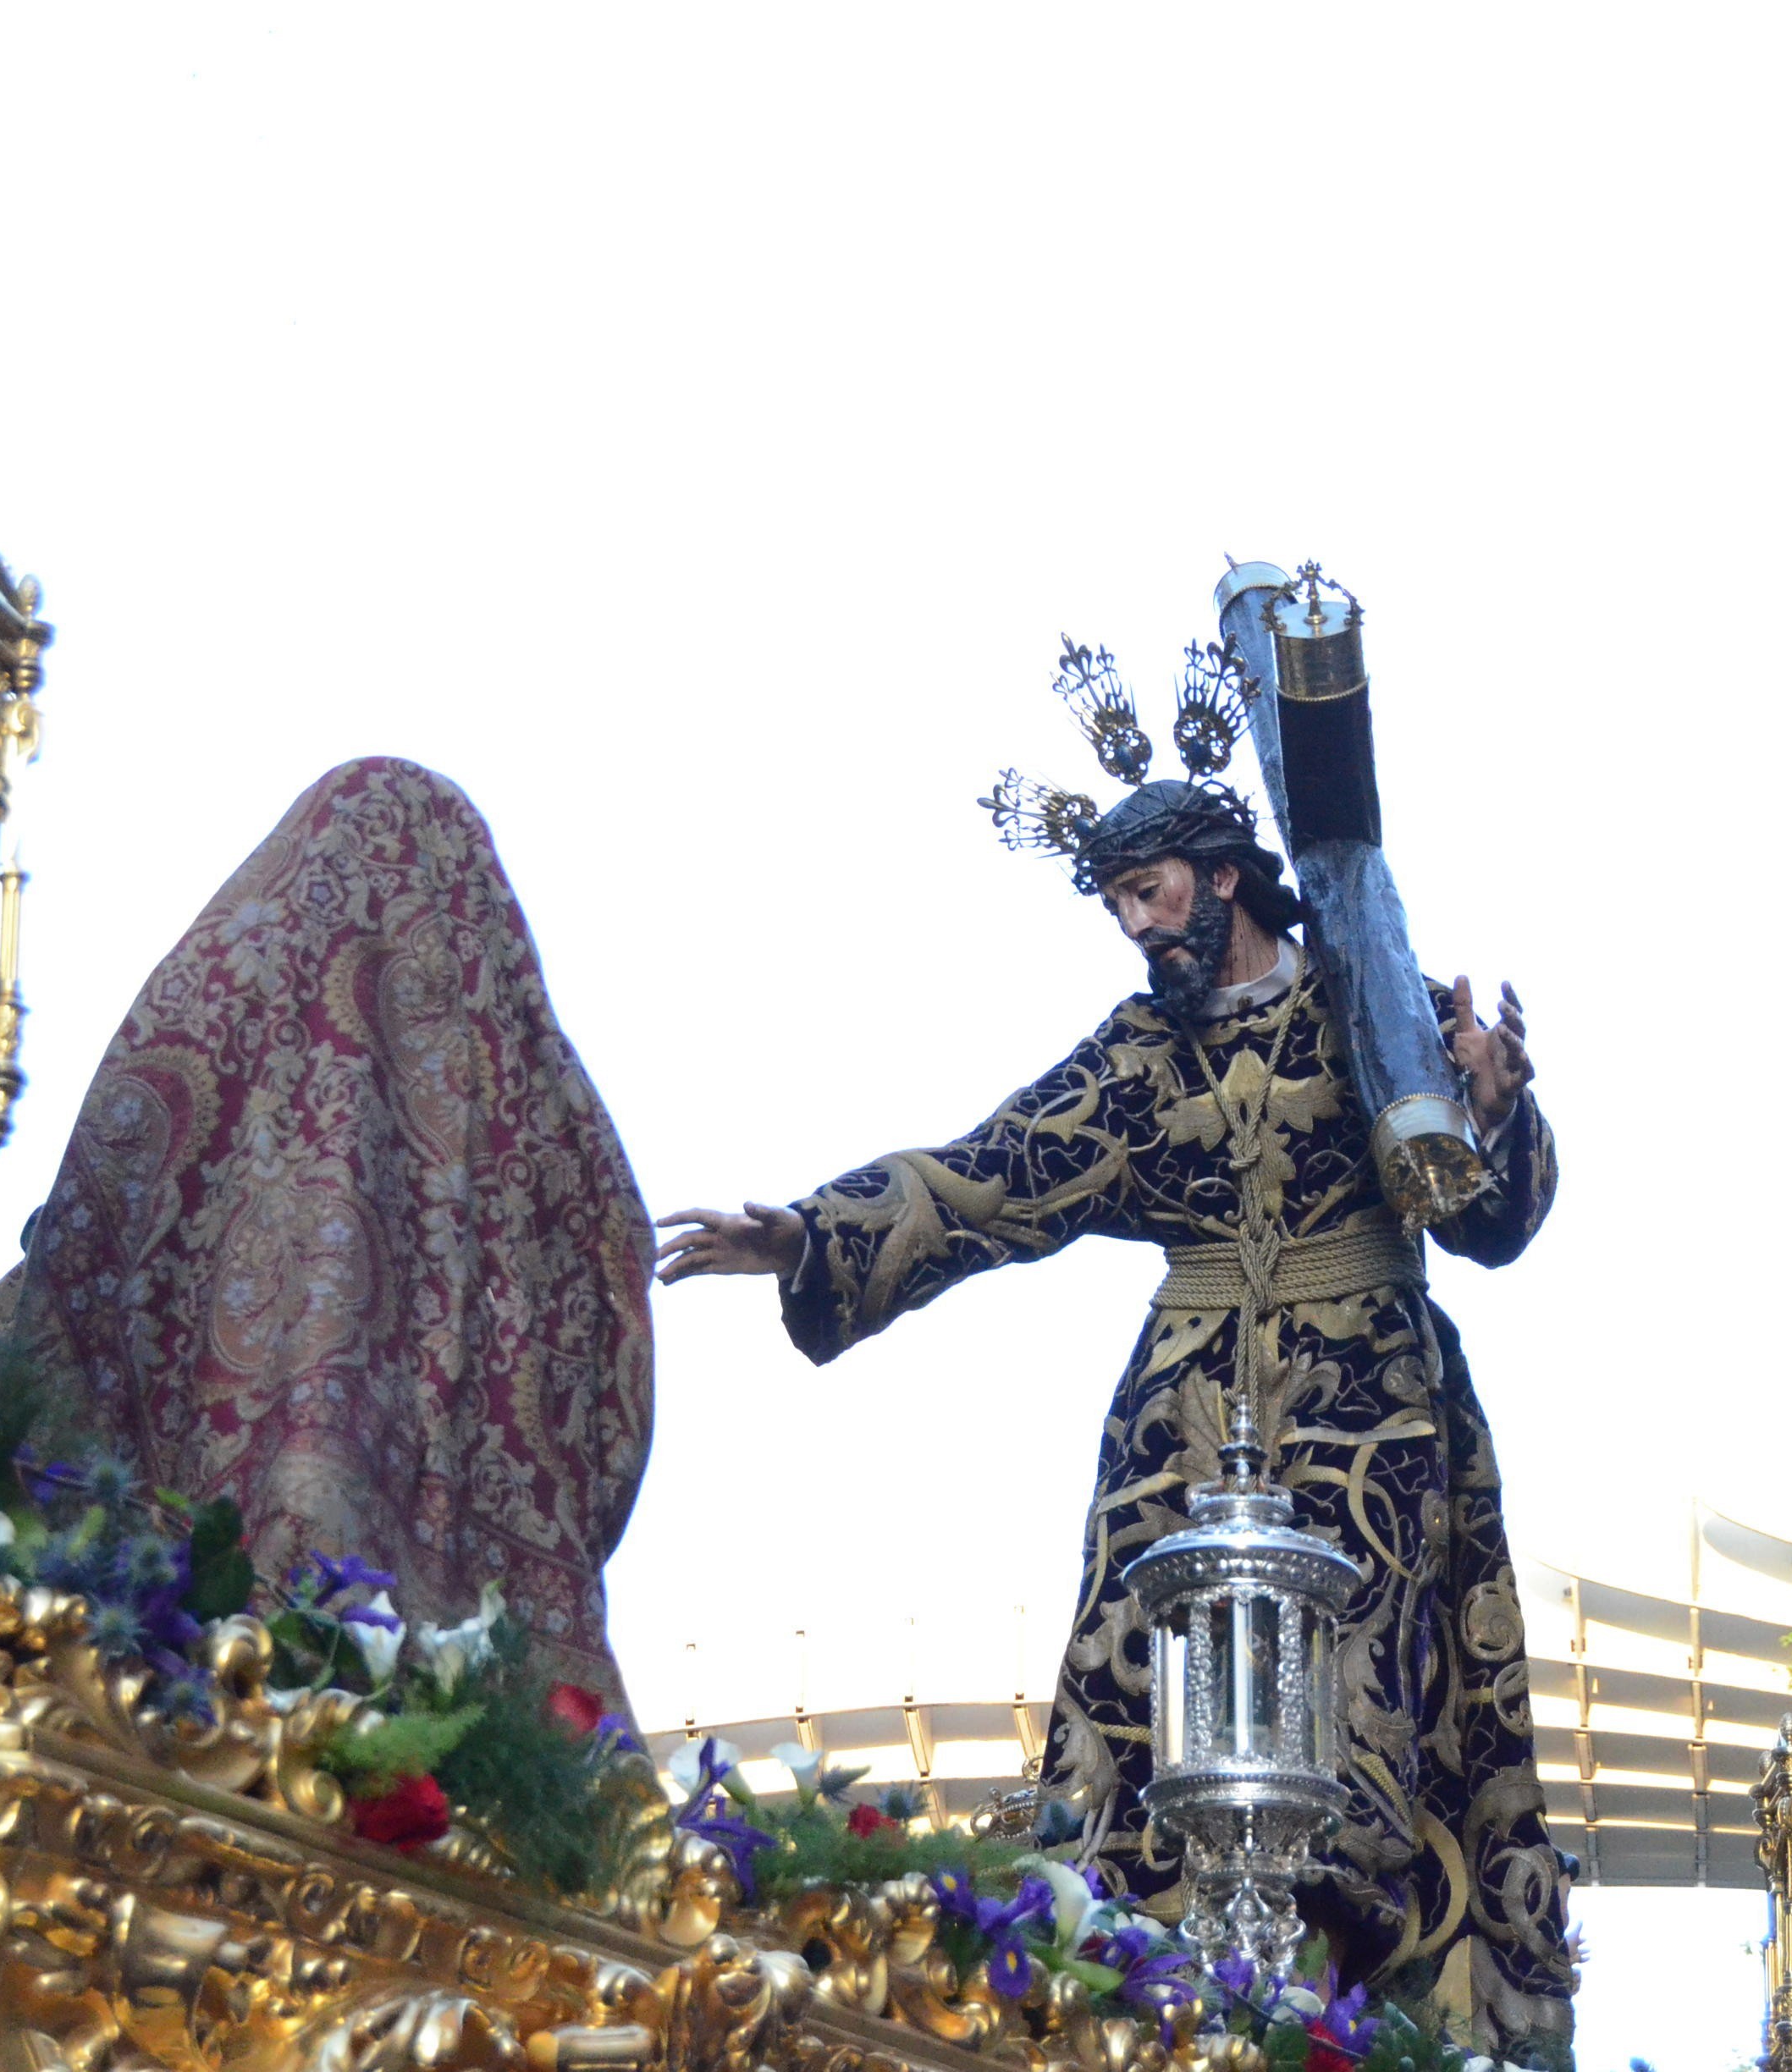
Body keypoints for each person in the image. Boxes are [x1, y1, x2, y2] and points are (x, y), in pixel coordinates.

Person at [657, 774, 1574, 2064]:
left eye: (1149, 892)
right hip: (1183, 1430)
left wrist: (1495, 1108)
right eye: (1118, 905)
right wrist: (815, 1235)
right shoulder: (1136, 1057)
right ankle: (1144, 1999)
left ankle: (1354, 2008)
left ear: (1223, 878)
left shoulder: (1374, 1002)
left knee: (1366, 1715)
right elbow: (992, 1175)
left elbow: (1488, 1222)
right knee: (1145, 1713)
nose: (1138, 925)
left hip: (1369, 1423)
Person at [0, 757, 654, 1701]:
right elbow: (612, 1389)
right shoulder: (557, 1127)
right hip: (464, 1691)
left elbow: (86, 1233)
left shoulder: (209, 1015)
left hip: (155, 1653)